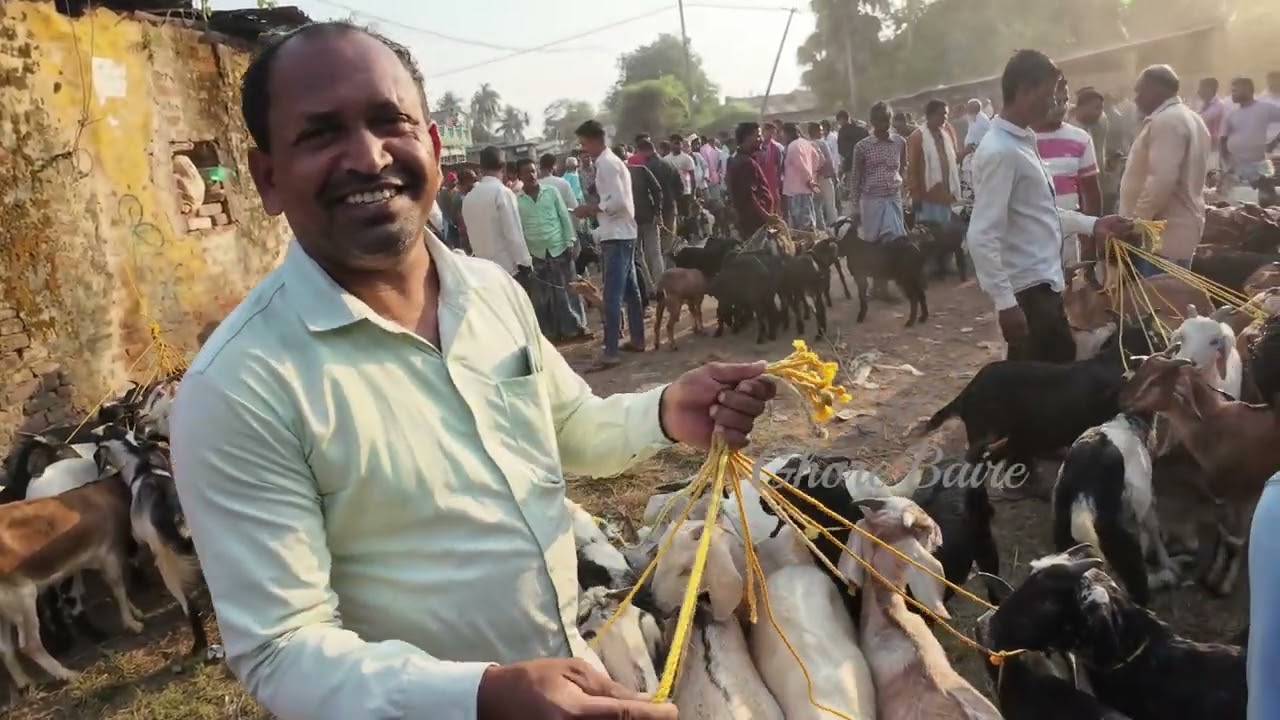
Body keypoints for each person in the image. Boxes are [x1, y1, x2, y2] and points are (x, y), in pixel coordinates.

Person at [169, 22, 778, 720]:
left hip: (572, 683)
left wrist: (666, 411)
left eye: (390, 121)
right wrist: (482, 695)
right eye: (320, 134)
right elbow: (281, 649)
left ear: (432, 145)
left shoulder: (491, 293)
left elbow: (569, 427)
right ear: (268, 178)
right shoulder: (239, 387)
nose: (368, 156)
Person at [967, 49, 1130, 368]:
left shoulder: (1022, 142)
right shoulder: (1001, 151)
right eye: (1049, 94)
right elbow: (981, 236)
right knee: (1044, 379)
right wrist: (1006, 303)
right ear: (1024, 91)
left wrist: (1094, 225)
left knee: (1055, 371)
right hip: (1028, 293)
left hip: (1045, 284)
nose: (1055, 103)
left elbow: (1040, 213)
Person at [1118, 65, 1209, 277]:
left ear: (1157, 89)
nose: (1136, 99)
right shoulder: (1192, 118)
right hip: (1178, 230)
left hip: (1161, 235)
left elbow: (1161, 180)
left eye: (1140, 91)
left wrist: (1136, 224)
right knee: (1172, 294)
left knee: (1155, 296)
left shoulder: (1167, 121)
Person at [572, 120, 645, 369]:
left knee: (612, 294)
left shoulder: (606, 164)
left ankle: (611, 350)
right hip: (622, 232)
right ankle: (637, 339)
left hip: (616, 234)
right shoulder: (610, 162)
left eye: (584, 143)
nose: (583, 149)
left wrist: (591, 209)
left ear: (594, 140)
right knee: (631, 291)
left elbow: (617, 202)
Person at [515, 157, 590, 343]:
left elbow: (564, 216)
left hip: (559, 247)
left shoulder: (551, 192)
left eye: (533, 171)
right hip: (536, 252)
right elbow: (518, 228)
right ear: (519, 176)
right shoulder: (517, 200)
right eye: (526, 172)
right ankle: (550, 334)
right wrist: (524, 255)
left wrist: (570, 241)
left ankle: (577, 327)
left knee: (569, 290)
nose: (531, 175)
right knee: (543, 296)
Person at [1033, 78, 1102, 266]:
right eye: (1057, 101)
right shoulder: (1022, 138)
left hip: (1068, 238)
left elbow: (1090, 191)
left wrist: (1090, 237)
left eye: (1065, 101)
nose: (1061, 107)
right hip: (1030, 239)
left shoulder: (1080, 138)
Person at [463, 145, 533, 293]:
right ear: (503, 167)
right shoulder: (502, 193)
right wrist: (525, 263)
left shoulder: (469, 197)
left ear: (481, 168)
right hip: (508, 270)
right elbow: (513, 234)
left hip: (483, 272)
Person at [905, 99, 961, 227]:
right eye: (941, 114)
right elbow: (912, 168)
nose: (945, 118)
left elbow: (953, 160)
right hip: (927, 197)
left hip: (945, 195)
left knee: (946, 233)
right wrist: (915, 195)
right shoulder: (917, 137)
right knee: (929, 233)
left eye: (946, 114)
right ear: (930, 115)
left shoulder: (948, 133)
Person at [622, 144, 665, 297]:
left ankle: (650, 288)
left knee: (639, 256)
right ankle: (659, 288)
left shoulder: (617, 176)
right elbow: (657, 190)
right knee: (654, 253)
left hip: (632, 221)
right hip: (646, 217)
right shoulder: (640, 170)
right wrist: (657, 212)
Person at [1222, 77, 1280, 184]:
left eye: (1235, 91)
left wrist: (1275, 142)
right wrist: (1225, 165)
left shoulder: (1264, 108)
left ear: (1247, 90)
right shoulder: (1232, 114)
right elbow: (1223, 140)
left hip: (1258, 166)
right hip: (1236, 168)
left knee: (1263, 192)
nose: (1232, 95)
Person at [726, 121, 773, 240]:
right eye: (758, 136)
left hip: (749, 220)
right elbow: (749, 197)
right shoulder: (746, 163)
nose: (761, 139)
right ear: (747, 138)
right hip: (754, 222)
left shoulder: (737, 159)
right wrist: (766, 216)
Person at [780, 122, 822, 231]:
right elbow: (817, 159)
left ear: (788, 133)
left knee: (802, 224)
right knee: (808, 219)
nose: (782, 137)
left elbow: (801, 165)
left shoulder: (793, 147)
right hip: (805, 189)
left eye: (783, 134)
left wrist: (808, 179)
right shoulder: (806, 143)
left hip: (796, 190)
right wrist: (812, 174)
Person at [955, 98, 991, 210]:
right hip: (974, 157)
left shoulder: (980, 122)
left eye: (968, 109)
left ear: (974, 110)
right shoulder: (974, 119)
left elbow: (971, 144)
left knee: (973, 186)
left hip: (975, 158)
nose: (967, 111)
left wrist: (959, 157)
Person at [807, 120, 840, 227]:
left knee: (816, 205)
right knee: (830, 204)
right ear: (816, 131)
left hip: (814, 179)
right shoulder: (822, 143)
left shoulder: (807, 145)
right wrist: (834, 176)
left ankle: (820, 227)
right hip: (825, 178)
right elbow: (829, 160)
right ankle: (834, 225)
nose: (821, 133)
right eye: (820, 130)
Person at [1194, 78, 1229, 172]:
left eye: (1201, 88)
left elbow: (1201, 119)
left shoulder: (1219, 106)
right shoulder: (1202, 105)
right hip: (1203, 149)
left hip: (1214, 151)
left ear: (1210, 89)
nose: (1198, 91)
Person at [756, 122, 787, 214]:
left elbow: (780, 165)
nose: (770, 135)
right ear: (763, 132)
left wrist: (778, 179)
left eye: (773, 133)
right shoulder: (757, 147)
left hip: (772, 180)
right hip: (760, 179)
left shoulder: (777, 147)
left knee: (775, 202)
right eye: (768, 132)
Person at [664, 134, 697, 219]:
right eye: (674, 143)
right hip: (672, 193)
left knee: (686, 216)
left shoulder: (687, 158)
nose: (676, 146)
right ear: (670, 144)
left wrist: (693, 193)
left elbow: (692, 177)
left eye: (678, 143)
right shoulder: (666, 160)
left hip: (685, 192)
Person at [699, 135, 723, 202]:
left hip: (708, 177)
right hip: (713, 177)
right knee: (714, 199)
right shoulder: (719, 152)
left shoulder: (703, 149)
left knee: (710, 199)